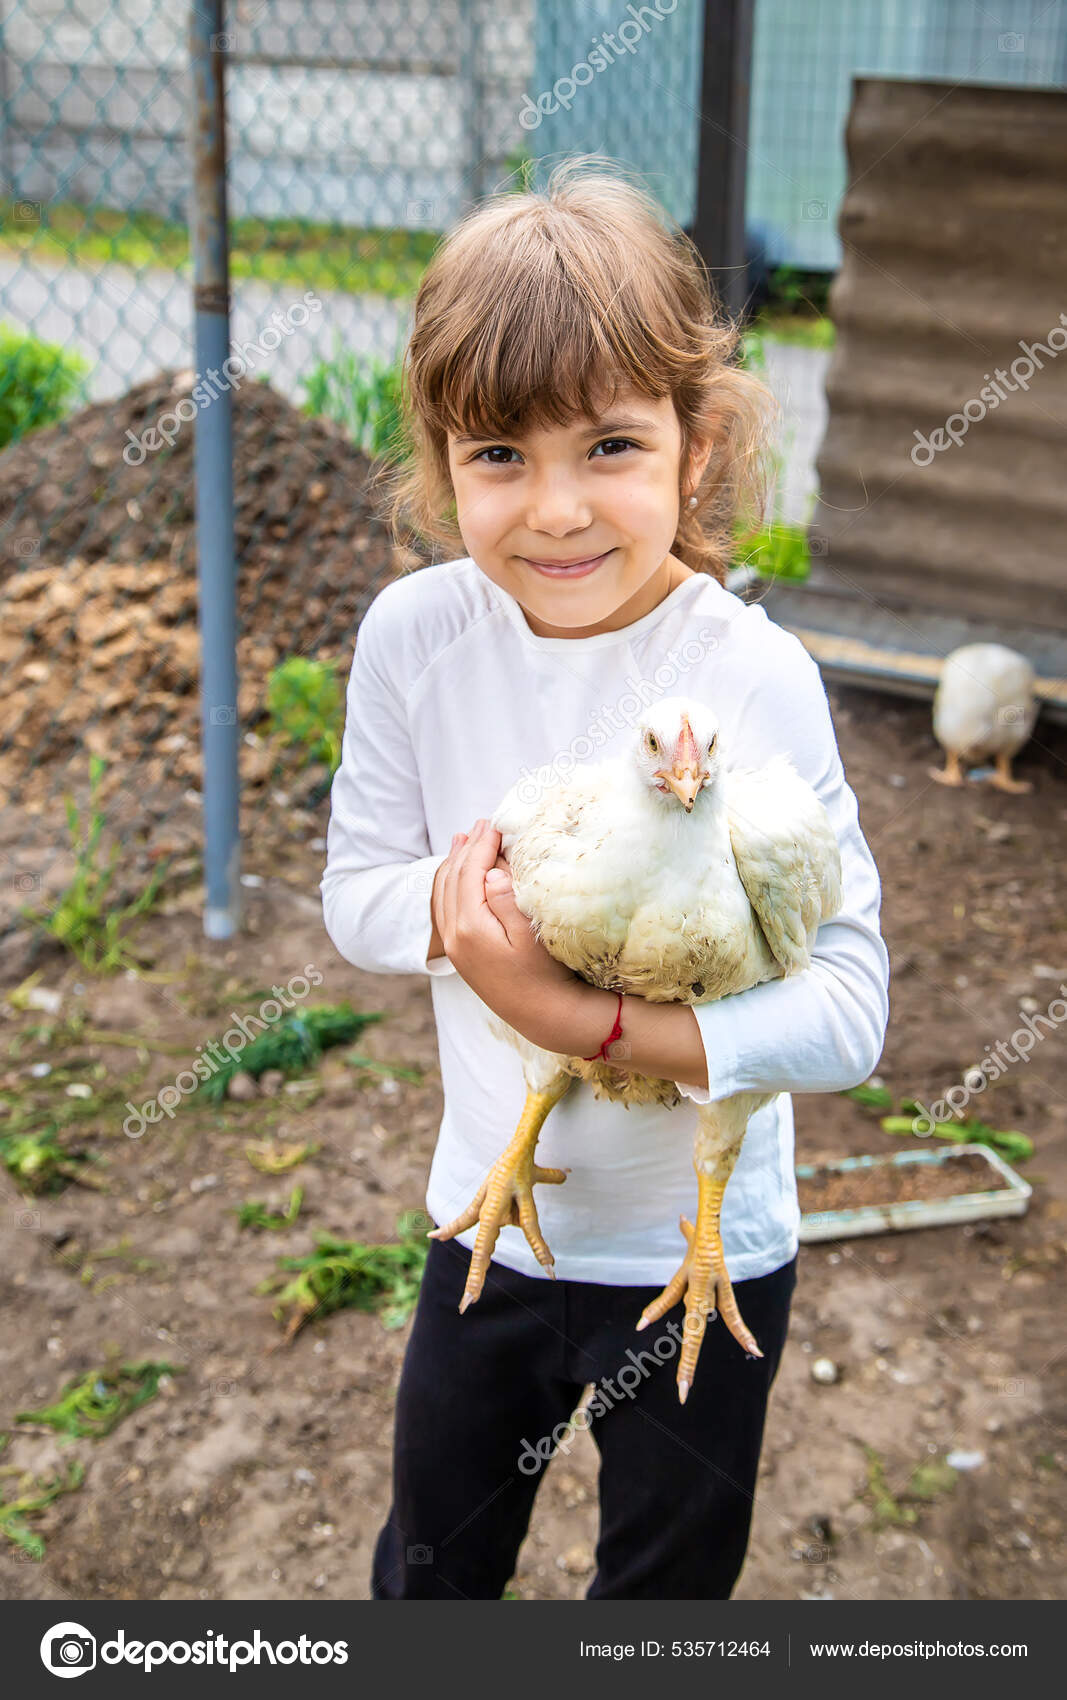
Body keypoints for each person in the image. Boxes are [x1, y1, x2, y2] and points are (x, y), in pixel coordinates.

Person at [320, 157, 890, 1601]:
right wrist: (482, 915)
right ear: (442, 458)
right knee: (435, 1570)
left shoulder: (752, 676)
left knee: (663, 1595)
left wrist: (593, 1025)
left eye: (611, 449)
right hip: (491, 1222)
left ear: (697, 449)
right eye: (497, 456)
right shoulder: (414, 639)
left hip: (706, 1246)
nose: (555, 510)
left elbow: (846, 1006)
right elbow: (359, 897)